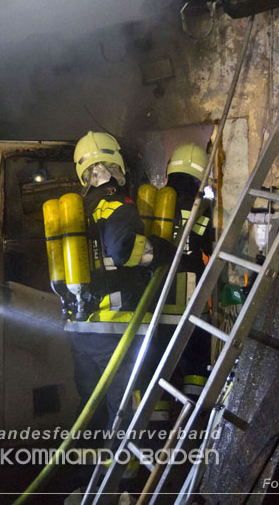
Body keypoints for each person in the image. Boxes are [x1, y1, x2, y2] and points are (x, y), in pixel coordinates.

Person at [66, 131, 176, 432]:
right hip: (115, 328)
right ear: (115, 162)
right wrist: (158, 252)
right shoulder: (116, 202)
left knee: (92, 406)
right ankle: (124, 476)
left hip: (82, 327)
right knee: (125, 410)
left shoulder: (80, 208)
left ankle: (86, 473)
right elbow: (124, 248)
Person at [165, 142, 214, 396]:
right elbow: (212, 248)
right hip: (191, 305)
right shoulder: (204, 208)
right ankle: (192, 421)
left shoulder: (154, 204)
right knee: (196, 361)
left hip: (157, 306)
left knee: (159, 369)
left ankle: (156, 428)